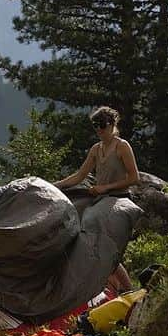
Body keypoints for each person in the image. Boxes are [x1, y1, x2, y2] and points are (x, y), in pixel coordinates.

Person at [53, 106, 140, 292]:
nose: (98, 130)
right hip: (101, 199)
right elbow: (80, 175)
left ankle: (128, 289)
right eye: (95, 126)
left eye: (101, 125)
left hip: (119, 199)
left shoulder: (122, 146)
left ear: (111, 125)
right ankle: (112, 289)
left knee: (99, 241)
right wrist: (56, 185)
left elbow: (134, 178)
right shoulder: (96, 149)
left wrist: (106, 187)